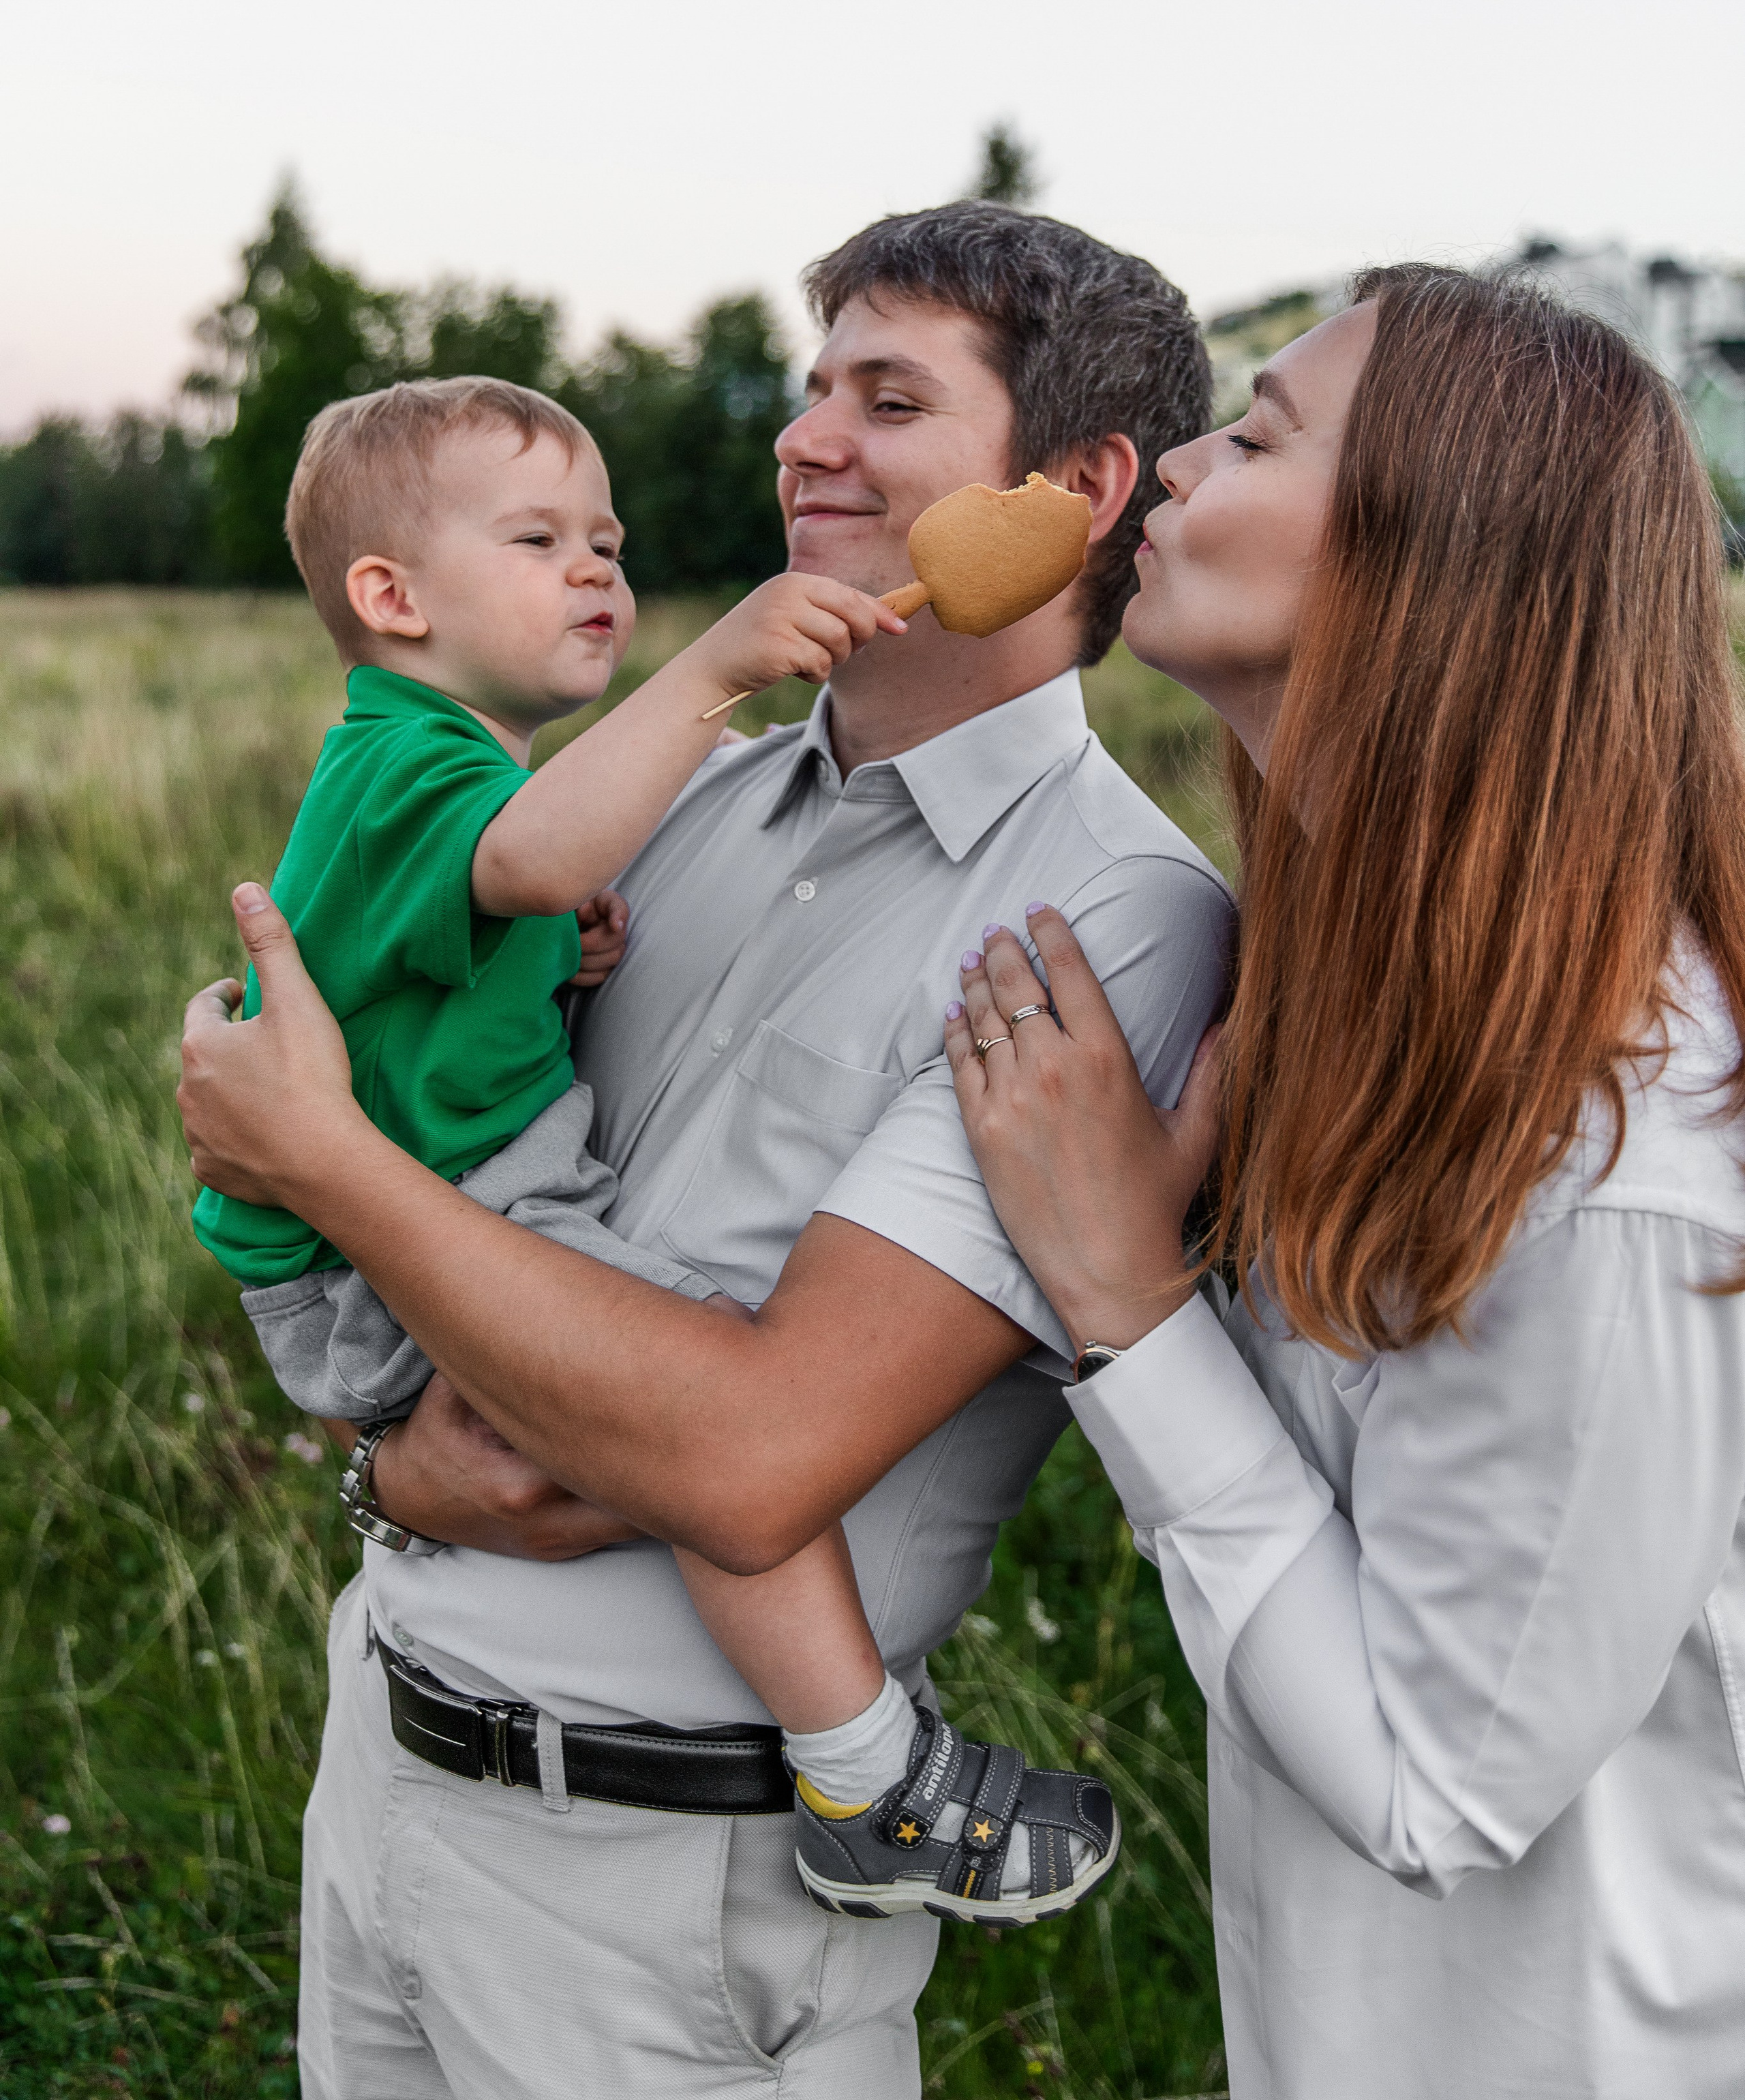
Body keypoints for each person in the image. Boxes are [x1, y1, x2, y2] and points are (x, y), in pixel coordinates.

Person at [176, 200, 1234, 2100]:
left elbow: (745, 1459)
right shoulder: (671, 804)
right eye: (812, 382)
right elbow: (447, 1210)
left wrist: (325, 1168)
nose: (803, 436)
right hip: (389, 1772)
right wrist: (395, 1453)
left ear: (1077, 485)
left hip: (672, 1894)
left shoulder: (1120, 919)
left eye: (887, 397)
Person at [941, 262, 1745, 2100]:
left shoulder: (1616, 1162)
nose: (1171, 473)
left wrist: (1130, 1306)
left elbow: (1438, 1789)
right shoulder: (1374, 1017)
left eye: (1257, 431)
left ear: (1428, 551)